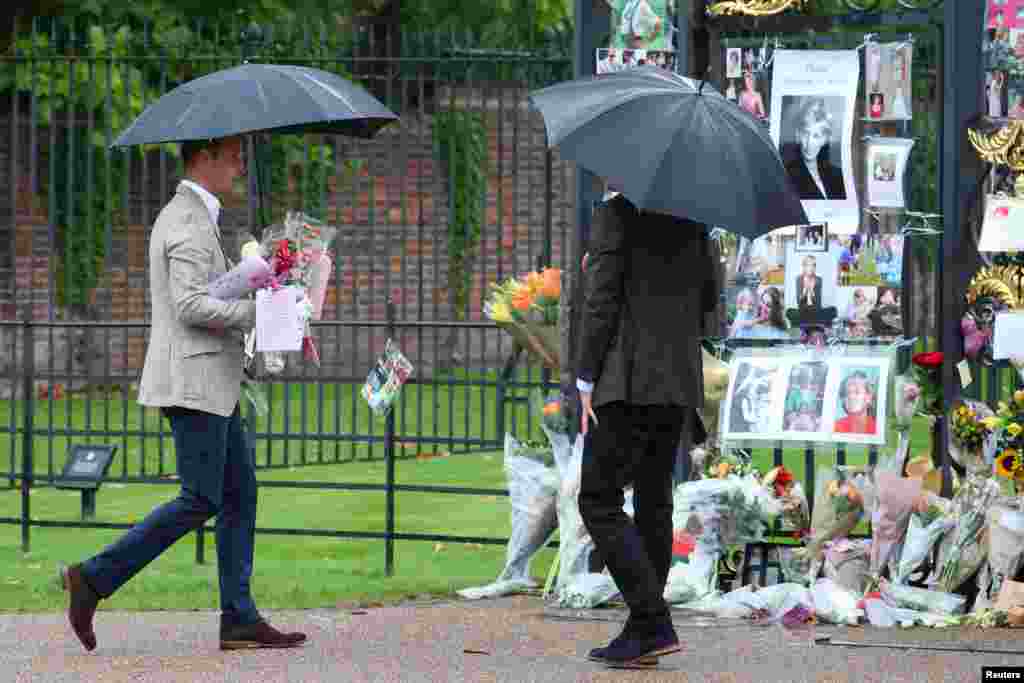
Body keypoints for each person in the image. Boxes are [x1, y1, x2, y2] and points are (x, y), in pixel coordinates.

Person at [60, 136, 307, 653]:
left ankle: (238, 617)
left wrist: (262, 284)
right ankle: (92, 578)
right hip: (193, 383)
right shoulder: (187, 221)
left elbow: (212, 293)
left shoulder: (197, 217)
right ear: (205, 157)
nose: (241, 165)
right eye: (234, 156)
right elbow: (191, 305)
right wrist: (264, 314)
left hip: (212, 382)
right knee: (200, 498)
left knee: (240, 494)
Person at [576, 192, 716, 667]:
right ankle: (643, 632)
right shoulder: (693, 219)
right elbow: (710, 299)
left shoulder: (614, 216)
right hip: (676, 379)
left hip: (626, 379)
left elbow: (600, 303)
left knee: (597, 498)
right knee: (654, 498)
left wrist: (584, 375)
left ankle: (652, 618)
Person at [783, 98, 846, 200]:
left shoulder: (838, 176)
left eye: (816, 136)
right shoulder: (787, 176)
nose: (809, 143)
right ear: (798, 134)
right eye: (805, 133)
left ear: (824, 139)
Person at [833, 371, 877, 435]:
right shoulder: (836, 427)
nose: (851, 397)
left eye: (857, 392)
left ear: (869, 397)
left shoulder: (876, 428)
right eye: (847, 393)